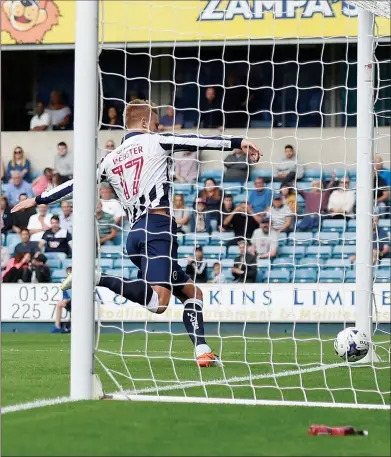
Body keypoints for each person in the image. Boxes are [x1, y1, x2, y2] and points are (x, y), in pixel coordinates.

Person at [11, 98, 260, 368]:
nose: (156, 126)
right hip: (157, 228)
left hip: (134, 235)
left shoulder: (111, 159)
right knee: (159, 303)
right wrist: (238, 142)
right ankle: (96, 277)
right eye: (154, 121)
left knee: (192, 293)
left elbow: (77, 181)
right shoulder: (155, 142)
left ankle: (202, 349)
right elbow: (196, 140)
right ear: (143, 122)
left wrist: (39, 200)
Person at [52, 267, 72, 334]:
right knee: (59, 304)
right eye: (68, 273)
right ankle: (57, 326)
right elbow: (65, 296)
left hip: (78, 302)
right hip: (69, 302)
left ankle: (69, 327)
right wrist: (66, 300)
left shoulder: (78, 283)